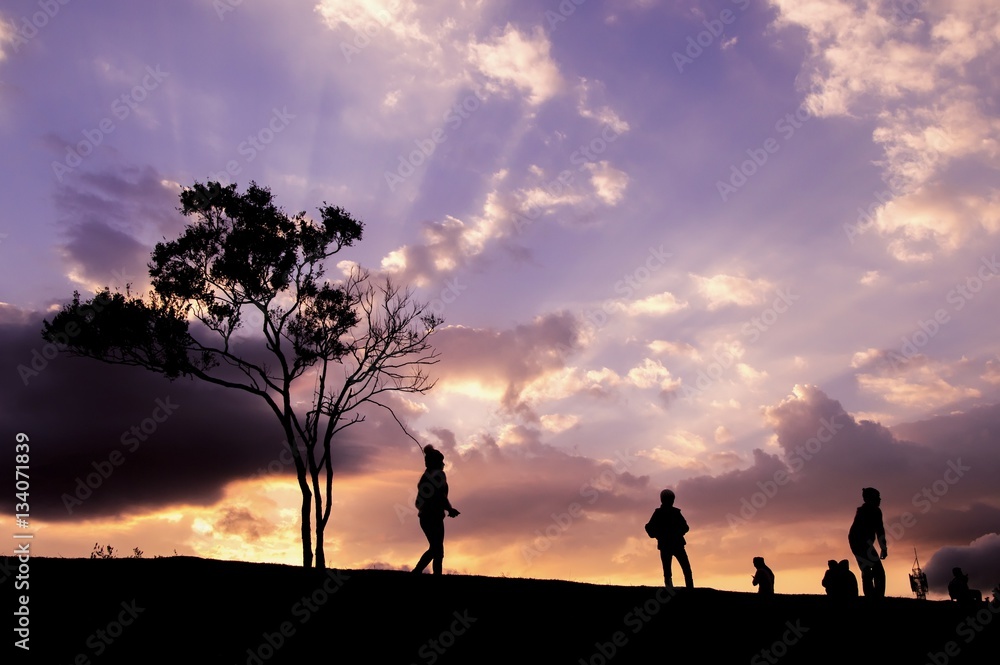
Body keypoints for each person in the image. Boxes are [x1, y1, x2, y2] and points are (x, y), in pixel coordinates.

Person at [412, 445, 460, 575]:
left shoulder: (427, 476)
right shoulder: (438, 475)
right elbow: (440, 496)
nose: (443, 464)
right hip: (432, 516)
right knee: (436, 549)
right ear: (437, 462)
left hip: (426, 516)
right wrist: (449, 509)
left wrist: (447, 508)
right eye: (441, 461)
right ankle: (417, 572)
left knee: (437, 549)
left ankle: (429, 574)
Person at [644, 489, 693, 589]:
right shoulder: (662, 513)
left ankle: (686, 589)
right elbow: (649, 527)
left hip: (672, 544)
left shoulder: (672, 512)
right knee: (673, 570)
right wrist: (658, 535)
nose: (671, 501)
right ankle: (680, 589)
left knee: (682, 569)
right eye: (670, 499)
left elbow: (685, 527)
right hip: (671, 544)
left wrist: (659, 535)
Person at [848, 487, 887, 598]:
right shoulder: (866, 512)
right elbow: (879, 530)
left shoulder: (876, 511)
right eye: (877, 497)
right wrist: (883, 548)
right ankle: (872, 596)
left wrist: (883, 548)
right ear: (870, 498)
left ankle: (876, 596)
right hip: (858, 543)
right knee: (869, 570)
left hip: (865, 544)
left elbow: (880, 531)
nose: (880, 499)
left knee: (876, 571)